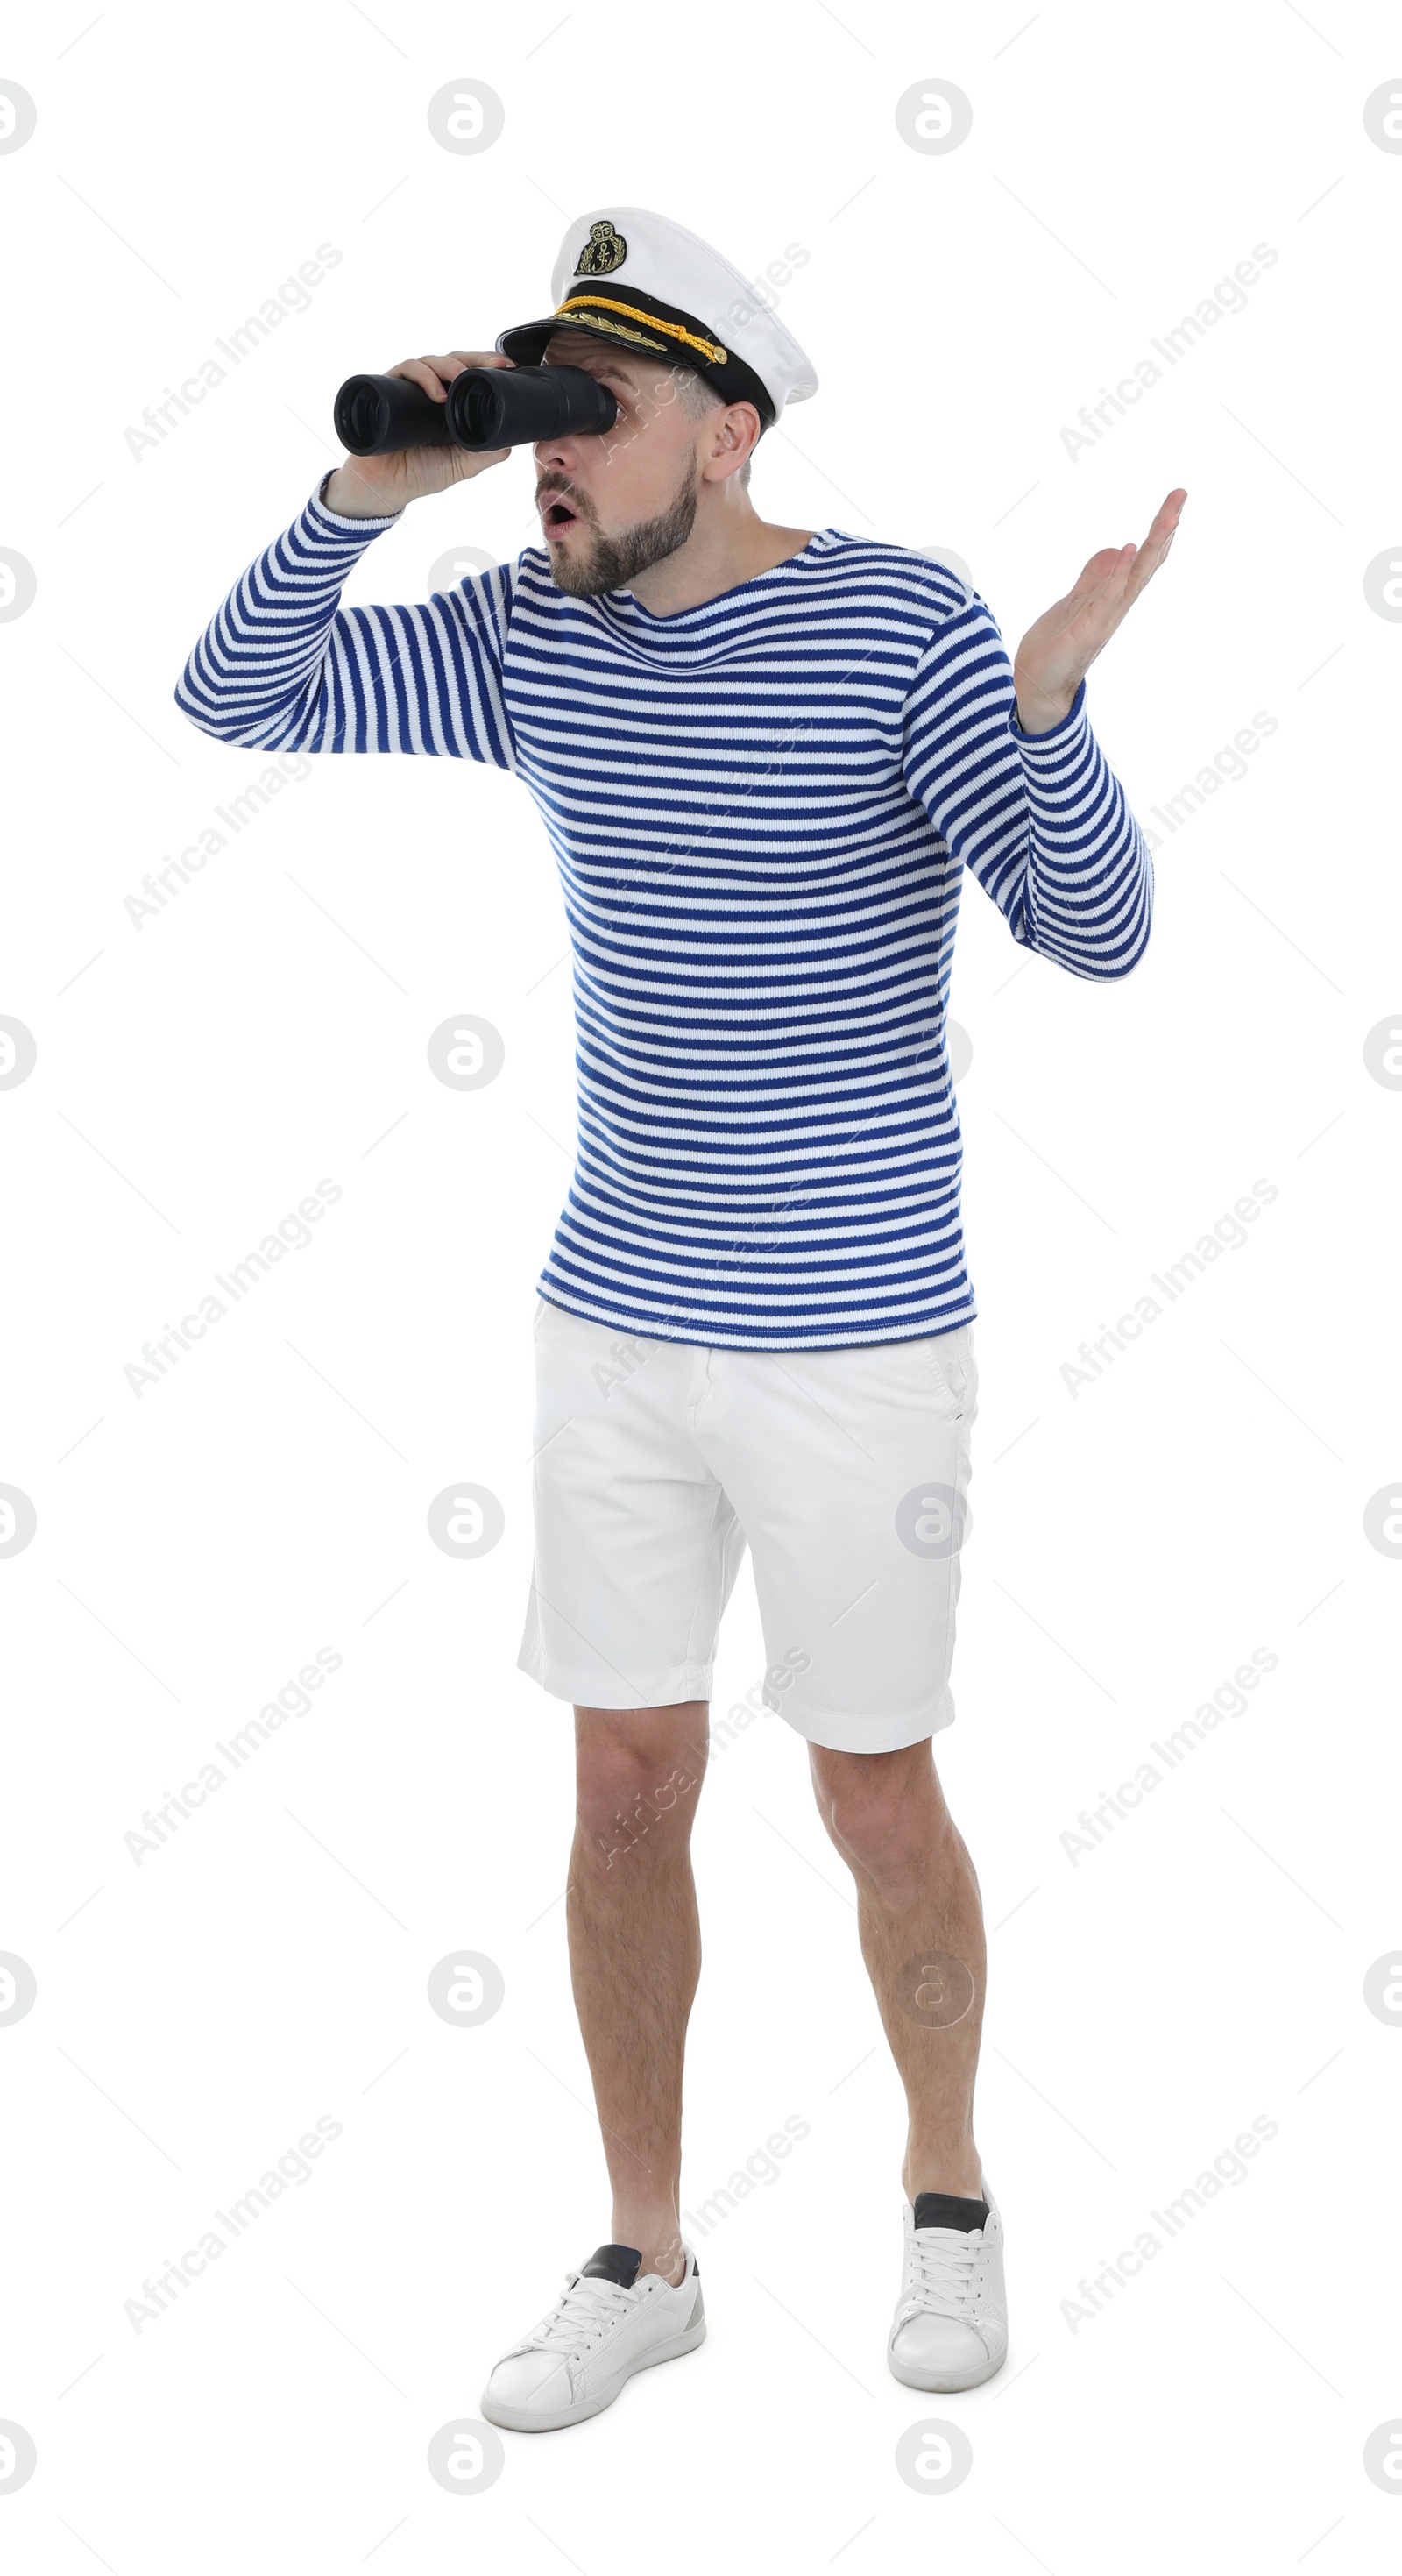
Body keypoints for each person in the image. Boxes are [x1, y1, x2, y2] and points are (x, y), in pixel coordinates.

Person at [175, 202, 1182, 2432]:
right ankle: (646, 2254)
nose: (549, 460)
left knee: (870, 1792)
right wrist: (372, 489)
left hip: (851, 1344)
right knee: (623, 1790)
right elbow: (231, 692)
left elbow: (1095, 935)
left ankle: (943, 2199)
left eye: (589, 415)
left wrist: (1044, 705)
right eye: (533, 416)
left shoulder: (896, 620)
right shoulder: (531, 629)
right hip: (609, 1324)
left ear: (723, 433)